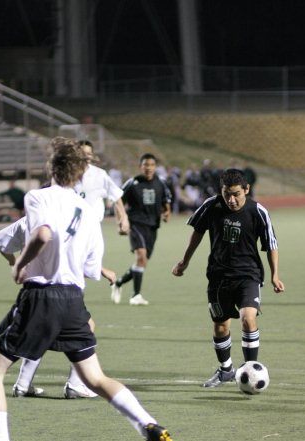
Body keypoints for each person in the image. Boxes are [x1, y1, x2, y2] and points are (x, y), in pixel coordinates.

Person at [0, 137, 173, 441]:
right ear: (81, 174)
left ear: (51, 167)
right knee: (95, 378)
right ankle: (149, 425)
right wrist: (104, 271)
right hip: (73, 300)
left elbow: (42, 235)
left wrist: (19, 265)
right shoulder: (88, 212)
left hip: (40, 297)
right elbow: (90, 264)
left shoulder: (38, 197)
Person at [172, 168, 284, 388]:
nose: (231, 200)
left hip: (248, 274)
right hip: (218, 276)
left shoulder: (258, 211)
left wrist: (275, 276)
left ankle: (250, 370)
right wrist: (184, 261)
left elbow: (271, 245)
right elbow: (197, 232)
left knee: (248, 318)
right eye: (227, 194)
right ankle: (225, 371)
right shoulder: (211, 205)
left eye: (236, 194)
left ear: (247, 190)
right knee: (221, 327)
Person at [0, 215, 116, 399]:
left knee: (39, 333)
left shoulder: (28, 220)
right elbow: (68, 259)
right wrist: (101, 270)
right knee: (86, 326)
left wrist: (14, 262)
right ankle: (75, 385)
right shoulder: (67, 219)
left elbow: (0, 241)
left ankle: (23, 384)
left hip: (33, 291)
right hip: (58, 291)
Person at [110, 153, 171, 306]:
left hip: (153, 226)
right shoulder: (133, 183)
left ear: (155, 167)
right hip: (135, 224)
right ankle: (135, 295)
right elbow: (117, 202)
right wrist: (120, 222)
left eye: (151, 165)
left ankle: (118, 283)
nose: (148, 168)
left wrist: (167, 212)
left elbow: (166, 201)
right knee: (141, 257)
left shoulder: (161, 183)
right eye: (145, 165)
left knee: (141, 263)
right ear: (140, 166)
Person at [74, 140, 129, 232]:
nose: (86, 157)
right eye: (82, 153)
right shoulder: (67, 174)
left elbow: (116, 195)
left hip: (93, 225)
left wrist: (124, 218)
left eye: (89, 154)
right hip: (72, 225)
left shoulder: (99, 174)